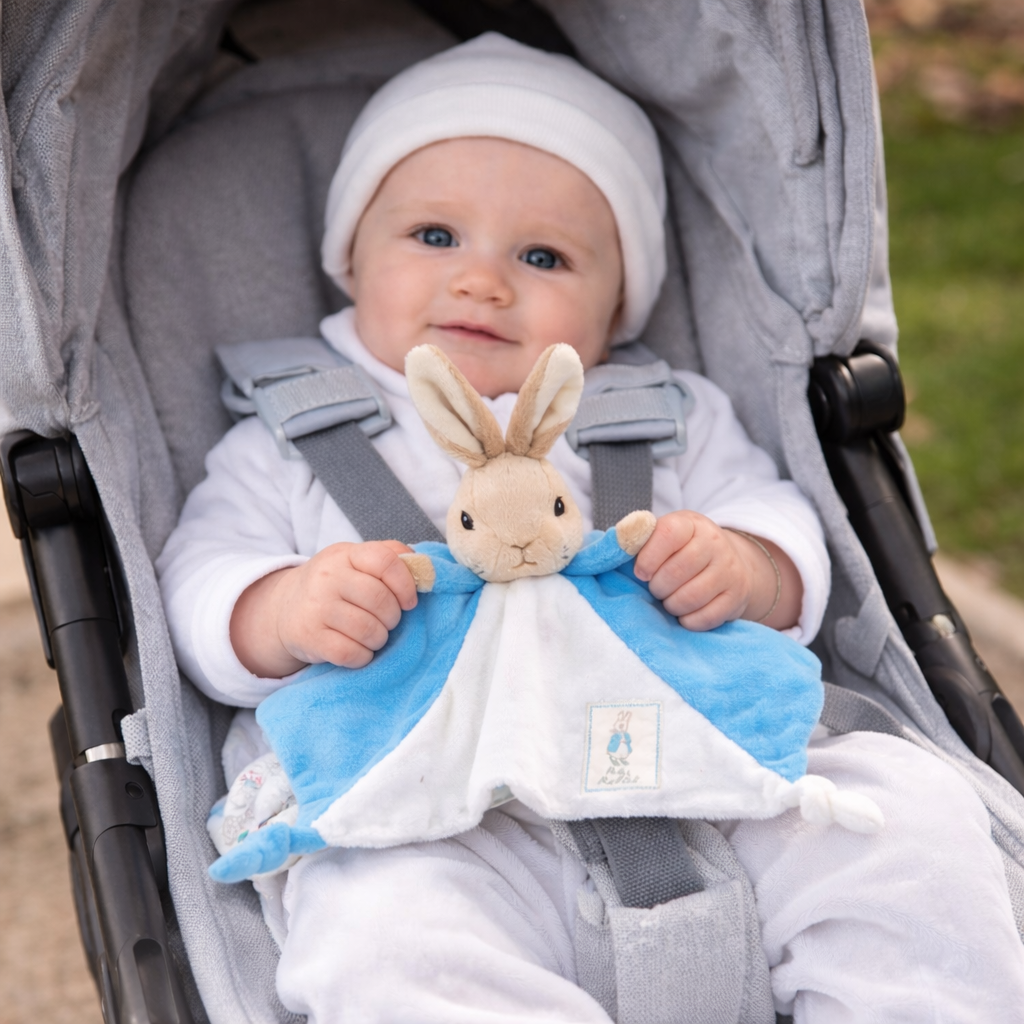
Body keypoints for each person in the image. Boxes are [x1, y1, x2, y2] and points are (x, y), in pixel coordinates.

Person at [156, 33, 1024, 1023]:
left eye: (543, 257)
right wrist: (282, 611)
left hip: (706, 770)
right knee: (381, 931)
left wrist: (745, 567)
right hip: (434, 811)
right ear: (349, 257)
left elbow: (778, 522)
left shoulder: (661, 412)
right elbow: (200, 574)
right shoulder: (289, 438)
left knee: (903, 821)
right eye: (434, 236)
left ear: (618, 310)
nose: (483, 281)